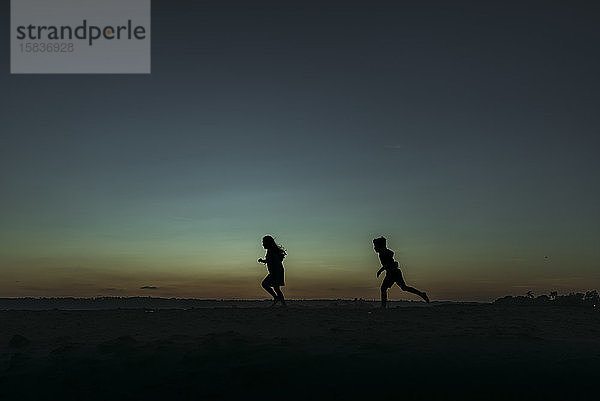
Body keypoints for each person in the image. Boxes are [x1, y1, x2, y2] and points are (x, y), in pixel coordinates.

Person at [373, 236, 429, 308]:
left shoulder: (383, 253)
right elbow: (390, 259)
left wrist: (380, 271)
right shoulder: (383, 253)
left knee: (384, 288)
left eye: (375, 246)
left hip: (392, 273)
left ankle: (383, 306)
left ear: (379, 246)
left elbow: (388, 264)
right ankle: (422, 294)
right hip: (394, 272)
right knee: (404, 287)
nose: (374, 248)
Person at [258, 235, 287, 306]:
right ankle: (283, 304)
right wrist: (264, 261)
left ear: (267, 243)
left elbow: (272, 260)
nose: (262, 244)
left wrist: (263, 261)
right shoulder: (271, 250)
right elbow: (271, 260)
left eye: (263, 242)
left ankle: (277, 298)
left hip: (276, 272)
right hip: (276, 271)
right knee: (276, 288)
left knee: (265, 284)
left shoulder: (271, 251)